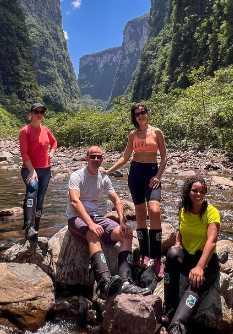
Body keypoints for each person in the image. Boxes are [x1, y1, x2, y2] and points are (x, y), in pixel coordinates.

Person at [67, 146, 151, 298]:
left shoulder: (103, 177)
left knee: (126, 235)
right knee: (93, 233)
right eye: (92, 156)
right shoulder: (77, 176)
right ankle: (105, 282)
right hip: (76, 218)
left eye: (99, 157)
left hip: (95, 216)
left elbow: (117, 200)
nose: (96, 159)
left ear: (102, 160)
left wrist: (122, 221)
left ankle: (125, 282)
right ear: (86, 158)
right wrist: (91, 224)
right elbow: (74, 201)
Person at [103, 102, 167, 279]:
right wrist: (109, 170)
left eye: (143, 112)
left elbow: (164, 157)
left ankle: (157, 259)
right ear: (135, 118)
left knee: (154, 211)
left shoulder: (157, 132)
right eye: (137, 114)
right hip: (136, 174)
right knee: (139, 215)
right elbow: (126, 156)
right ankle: (146, 254)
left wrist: (159, 176)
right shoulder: (133, 135)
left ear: (147, 113)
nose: (141, 116)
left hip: (152, 175)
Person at [161, 176, 220, 334]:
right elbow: (180, 228)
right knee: (172, 254)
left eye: (202, 191)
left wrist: (200, 267)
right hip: (188, 258)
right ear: (188, 192)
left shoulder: (211, 212)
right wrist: (178, 242)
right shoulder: (184, 209)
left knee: (195, 283)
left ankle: (178, 326)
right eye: (195, 190)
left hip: (207, 262)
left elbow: (212, 241)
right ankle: (169, 309)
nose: (198, 194)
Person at [19, 102, 57, 240]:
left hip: (45, 170)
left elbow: (54, 142)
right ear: (31, 114)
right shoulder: (25, 131)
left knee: (40, 199)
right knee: (32, 190)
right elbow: (24, 154)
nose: (40, 114)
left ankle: (36, 229)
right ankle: (29, 227)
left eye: (42, 112)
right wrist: (32, 171)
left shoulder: (46, 130)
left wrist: (52, 152)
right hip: (29, 169)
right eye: (37, 112)